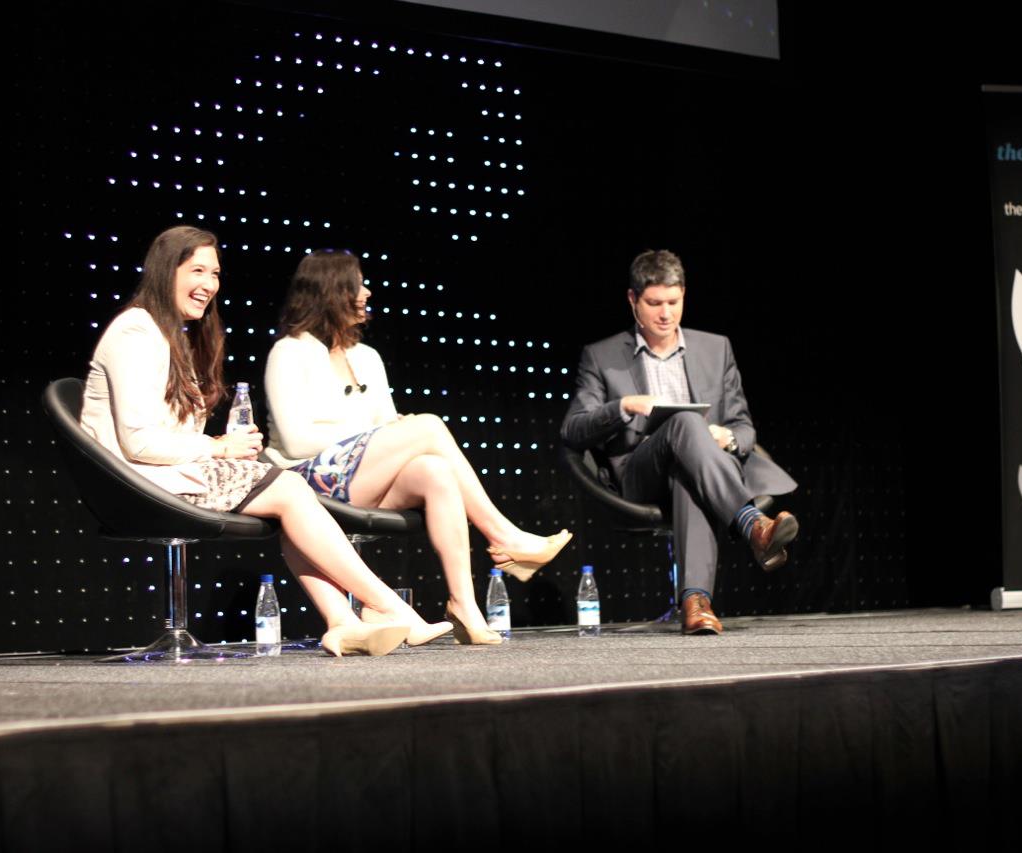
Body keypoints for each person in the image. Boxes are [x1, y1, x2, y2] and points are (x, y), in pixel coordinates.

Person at [80, 226, 451, 656]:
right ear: (166, 271)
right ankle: (385, 606)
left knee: (290, 496)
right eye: (196, 270)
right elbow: (139, 443)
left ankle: (344, 622)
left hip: (168, 473)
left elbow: (166, 432)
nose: (208, 285)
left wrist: (220, 444)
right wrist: (218, 448)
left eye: (214, 274)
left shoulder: (167, 335)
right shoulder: (135, 332)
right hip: (137, 482)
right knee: (291, 488)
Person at [263, 250, 573, 645]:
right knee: (427, 426)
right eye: (359, 285)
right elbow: (295, 439)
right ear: (333, 291)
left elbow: (388, 426)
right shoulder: (290, 350)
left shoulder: (367, 357)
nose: (367, 293)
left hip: (360, 477)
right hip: (305, 482)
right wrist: (370, 432)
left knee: (434, 470)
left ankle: (466, 607)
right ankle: (504, 535)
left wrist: (379, 433)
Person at [560, 249, 799, 635]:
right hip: (639, 475)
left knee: (686, 472)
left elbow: (744, 428)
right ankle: (753, 525)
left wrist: (727, 436)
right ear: (633, 300)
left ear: (684, 295)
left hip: (699, 469)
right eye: (654, 303)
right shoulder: (602, 356)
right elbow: (573, 429)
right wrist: (624, 405)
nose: (665, 314)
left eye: (674, 302)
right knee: (686, 420)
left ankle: (696, 604)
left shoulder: (715, 348)